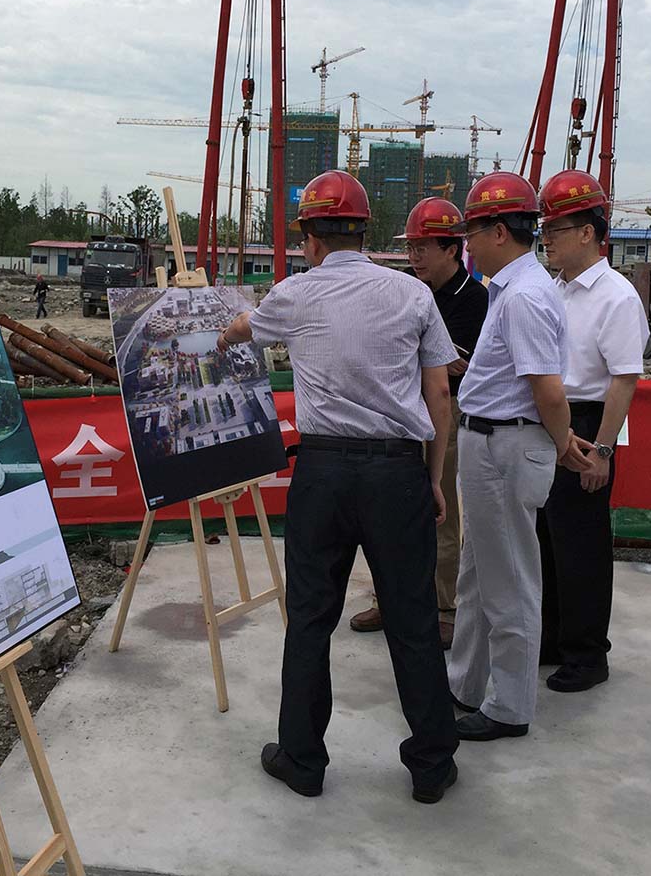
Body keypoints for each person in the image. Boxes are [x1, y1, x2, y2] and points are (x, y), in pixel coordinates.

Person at [217, 169, 460, 804]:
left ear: (311, 239)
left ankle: (302, 759)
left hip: (322, 475)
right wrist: (432, 479)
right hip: (397, 471)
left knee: (310, 619)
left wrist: (221, 327)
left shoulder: (295, 295)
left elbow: (246, 329)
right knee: (412, 619)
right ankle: (432, 764)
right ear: (362, 231)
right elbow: (439, 394)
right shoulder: (412, 295)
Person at [445, 171, 591, 742]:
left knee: (510, 582)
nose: (468, 245)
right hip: (490, 440)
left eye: (472, 233)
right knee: (480, 577)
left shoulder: (526, 295)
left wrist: (562, 445)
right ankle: (466, 681)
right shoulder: (513, 289)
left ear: (499, 232)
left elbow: (548, 389)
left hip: (508, 443)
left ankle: (509, 706)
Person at [350, 197, 489, 649]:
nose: (414, 257)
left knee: (440, 515)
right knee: (387, 517)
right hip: (398, 417)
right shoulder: (407, 288)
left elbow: (458, 366)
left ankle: (443, 606)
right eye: (410, 248)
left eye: (423, 247)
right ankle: (390, 600)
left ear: (452, 249)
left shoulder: (475, 298)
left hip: (442, 419)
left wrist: (413, 352)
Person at [536, 170, 648, 693]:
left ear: (588, 233)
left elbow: (623, 382)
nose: (547, 239)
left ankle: (587, 654)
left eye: (556, 229)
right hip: (550, 420)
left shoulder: (617, 297)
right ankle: (552, 637)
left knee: (581, 546)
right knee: (547, 541)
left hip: (587, 423)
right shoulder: (553, 291)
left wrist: (601, 451)